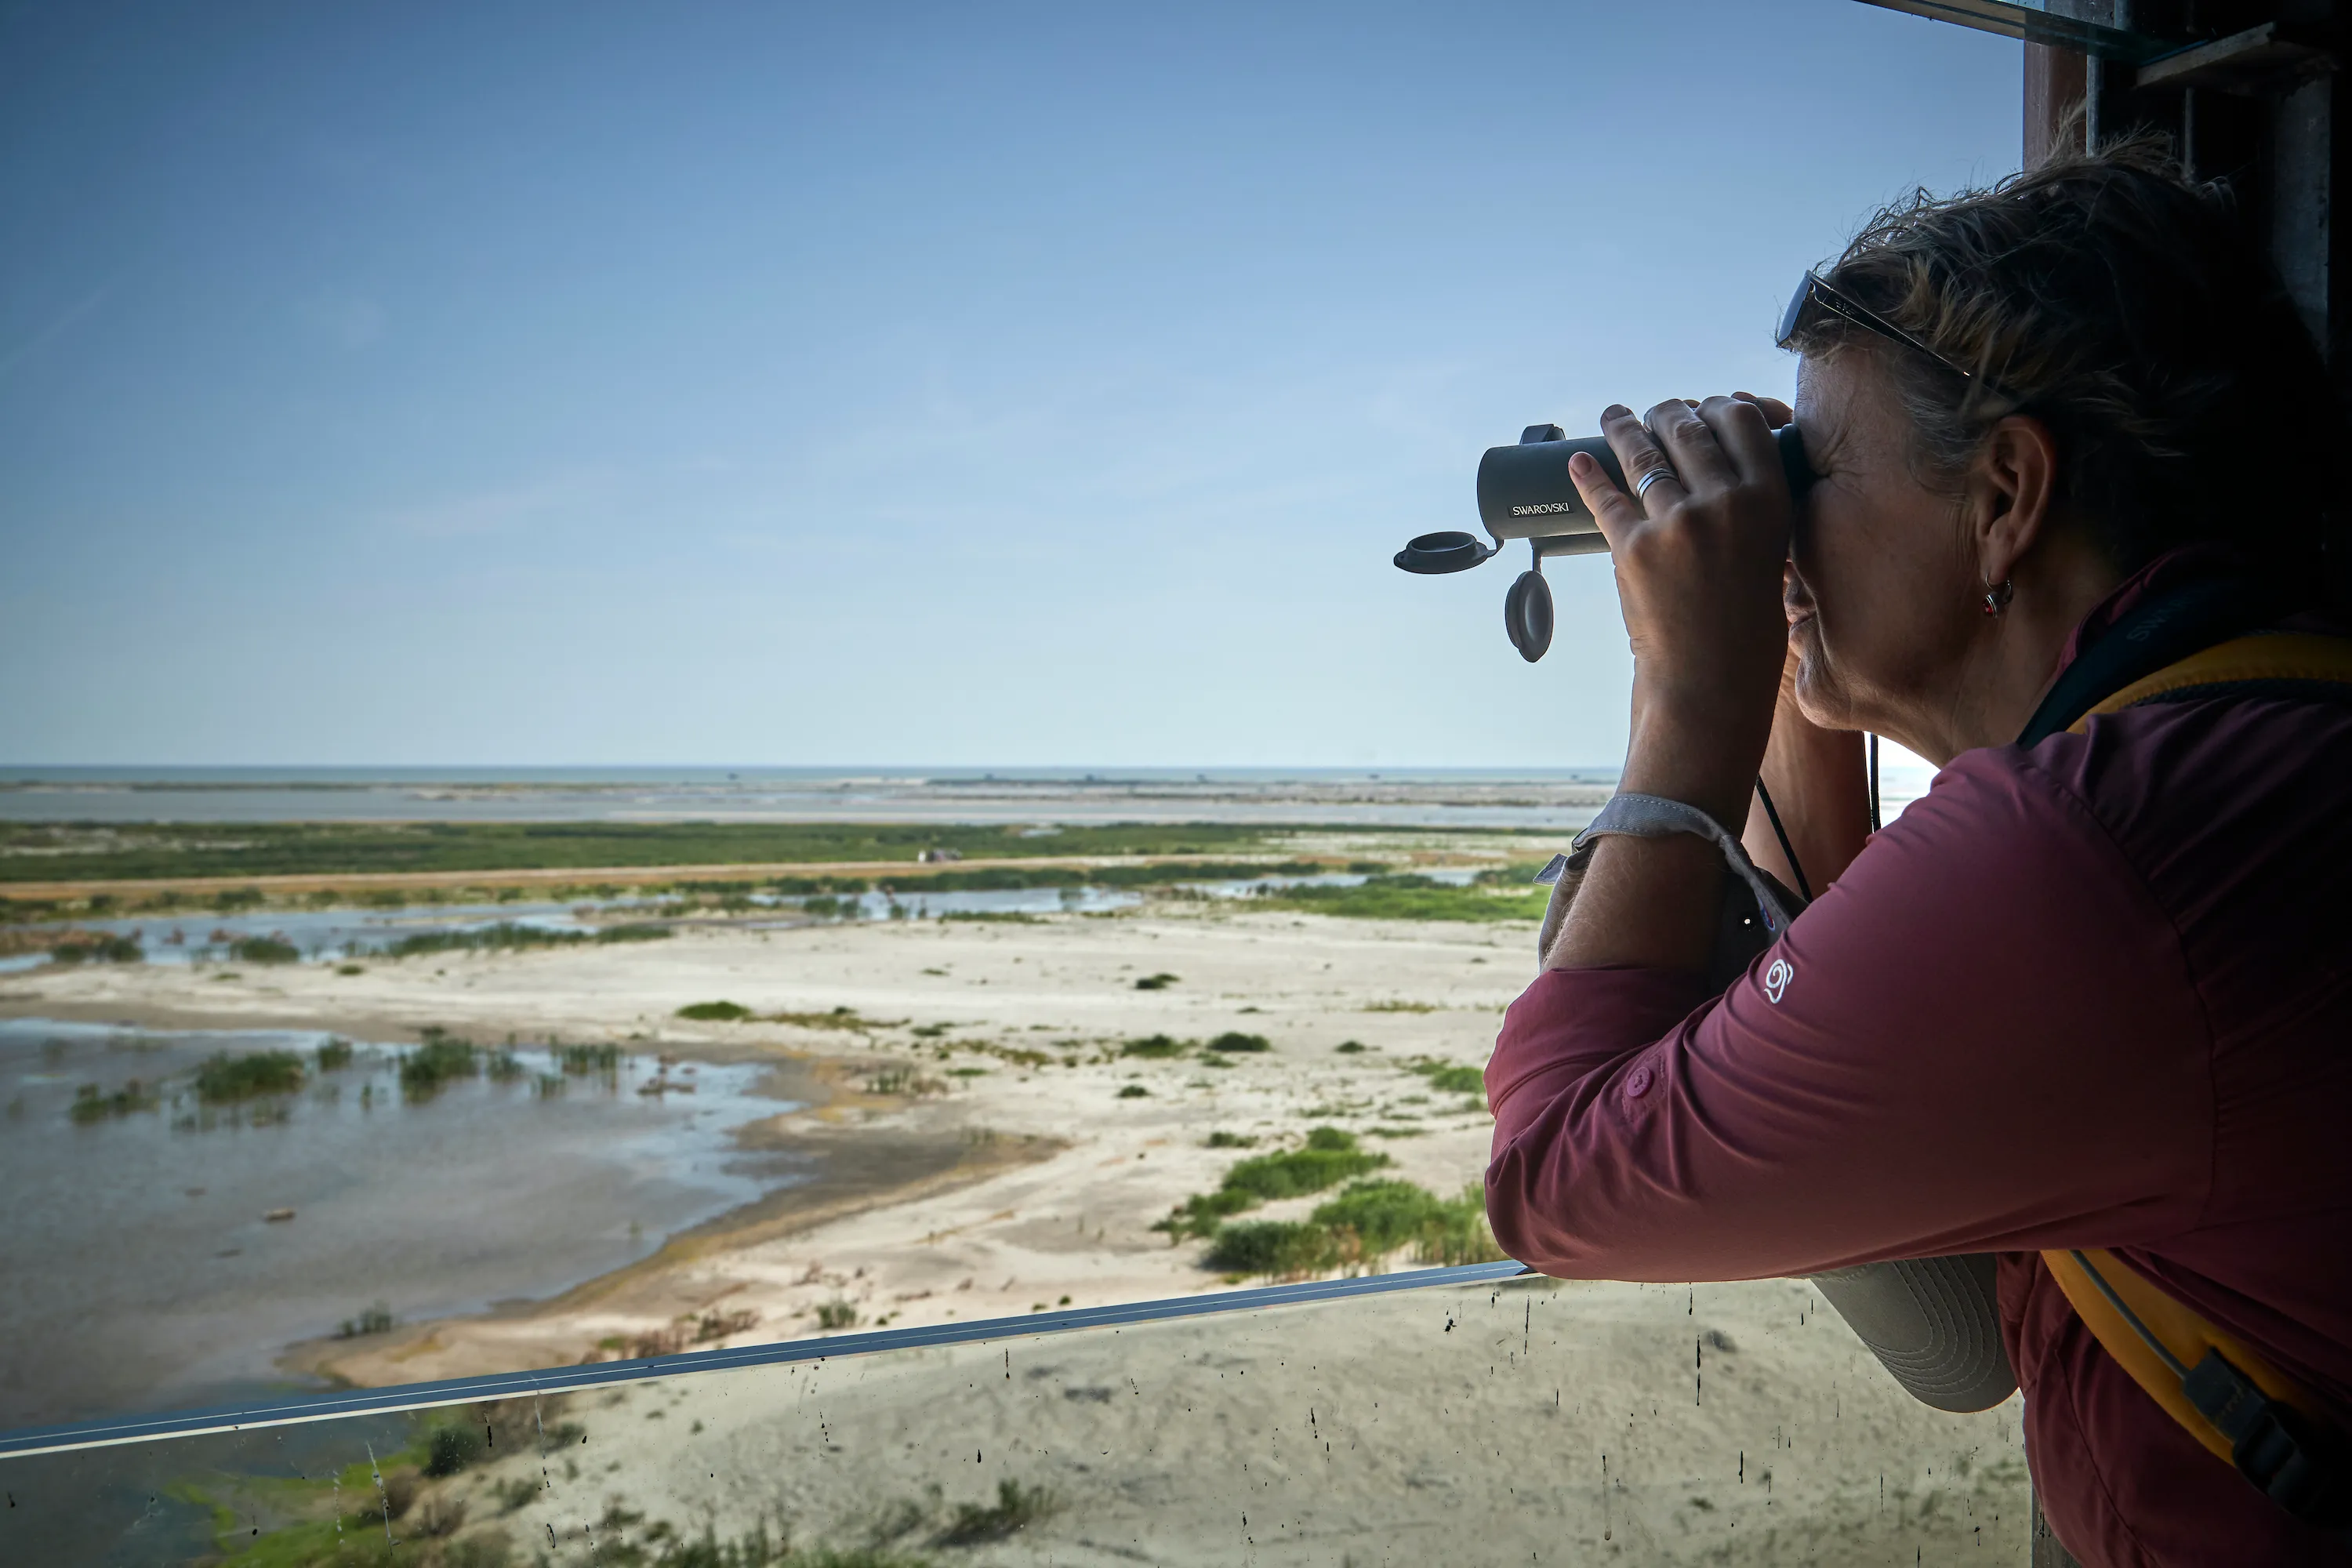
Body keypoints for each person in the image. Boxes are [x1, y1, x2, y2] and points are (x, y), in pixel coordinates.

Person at [1481, 138, 2352, 1566]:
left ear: (2006, 492)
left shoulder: (2088, 859)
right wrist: (1781, 668)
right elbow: (1957, 1333)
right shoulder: (2251, 738)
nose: (1780, 526)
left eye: (1809, 472)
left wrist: (1687, 705)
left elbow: (1555, 1183)